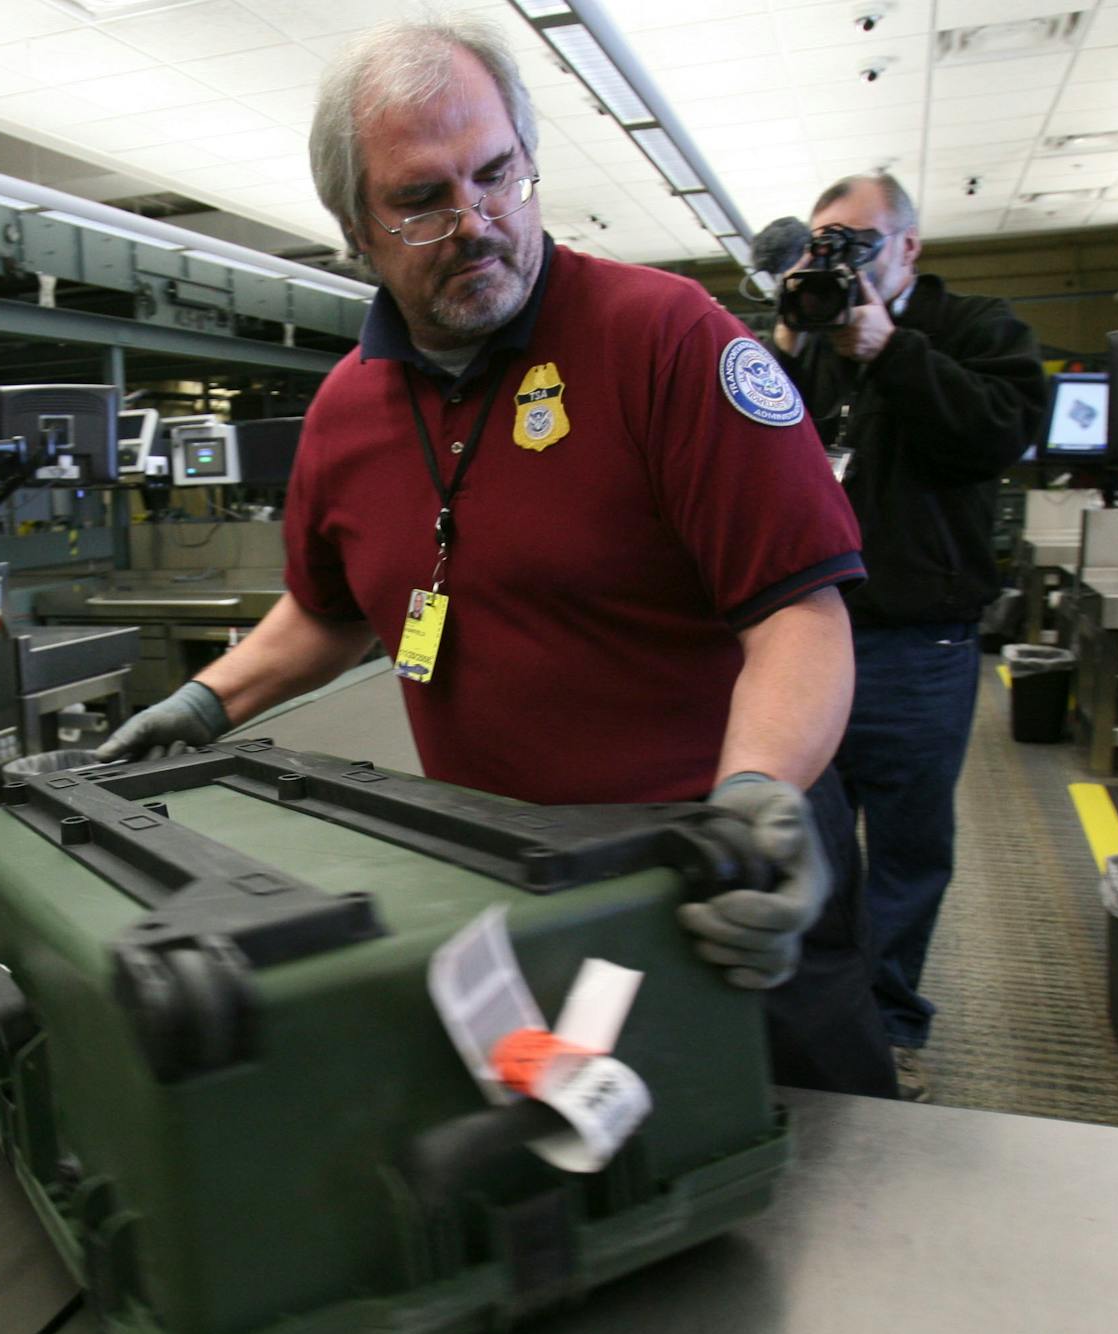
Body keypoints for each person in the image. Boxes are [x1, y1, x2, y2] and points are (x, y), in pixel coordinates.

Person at [95, 13, 895, 1096]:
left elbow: (798, 613)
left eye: (497, 175)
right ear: (355, 228)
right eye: (422, 199)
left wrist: (755, 801)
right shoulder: (345, 414)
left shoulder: (668, 339)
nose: (475, 222)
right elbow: (332, 609)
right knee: (578, 1169)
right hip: (506, 882)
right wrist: (204, 704)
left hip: (719, 879)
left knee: (823, 1179)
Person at [771, 174, 1046, 1101]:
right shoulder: (812, 335)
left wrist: (892, 351)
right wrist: (782, 345)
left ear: (909, 245)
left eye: (856, 240)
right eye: (823, 242)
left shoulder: (976, 327)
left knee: (904, 849)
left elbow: (1001, 433)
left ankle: (889, 1029)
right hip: (811, 640)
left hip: (918, 643)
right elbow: (766, 456)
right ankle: (820, 1027)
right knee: (807, 844)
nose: (838, 259)